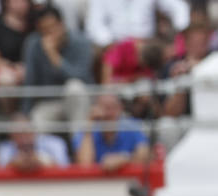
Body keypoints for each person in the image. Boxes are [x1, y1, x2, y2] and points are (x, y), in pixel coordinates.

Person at [21, 4, 93, 134]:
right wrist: (25, 113)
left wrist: (54, 56)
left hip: (78, 101)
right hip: (50, 103)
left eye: (53, 27)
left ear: (62, 24)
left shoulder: (81, 42)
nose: (50, 33)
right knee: (37, 121)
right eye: (45, 30)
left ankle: (79, 145)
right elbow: (30, 80)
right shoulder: (33, 44)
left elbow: (81, 77)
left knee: (74, 87)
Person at [74, 92, 150, 171]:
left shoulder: (132, 127)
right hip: (96, 182)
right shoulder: (87, 131)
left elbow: (144, 155)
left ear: (120, 109)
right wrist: (90, 123)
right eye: (105, 108)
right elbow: (84, 165)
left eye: (113, 107)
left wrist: (123, 159)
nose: (109, 113)